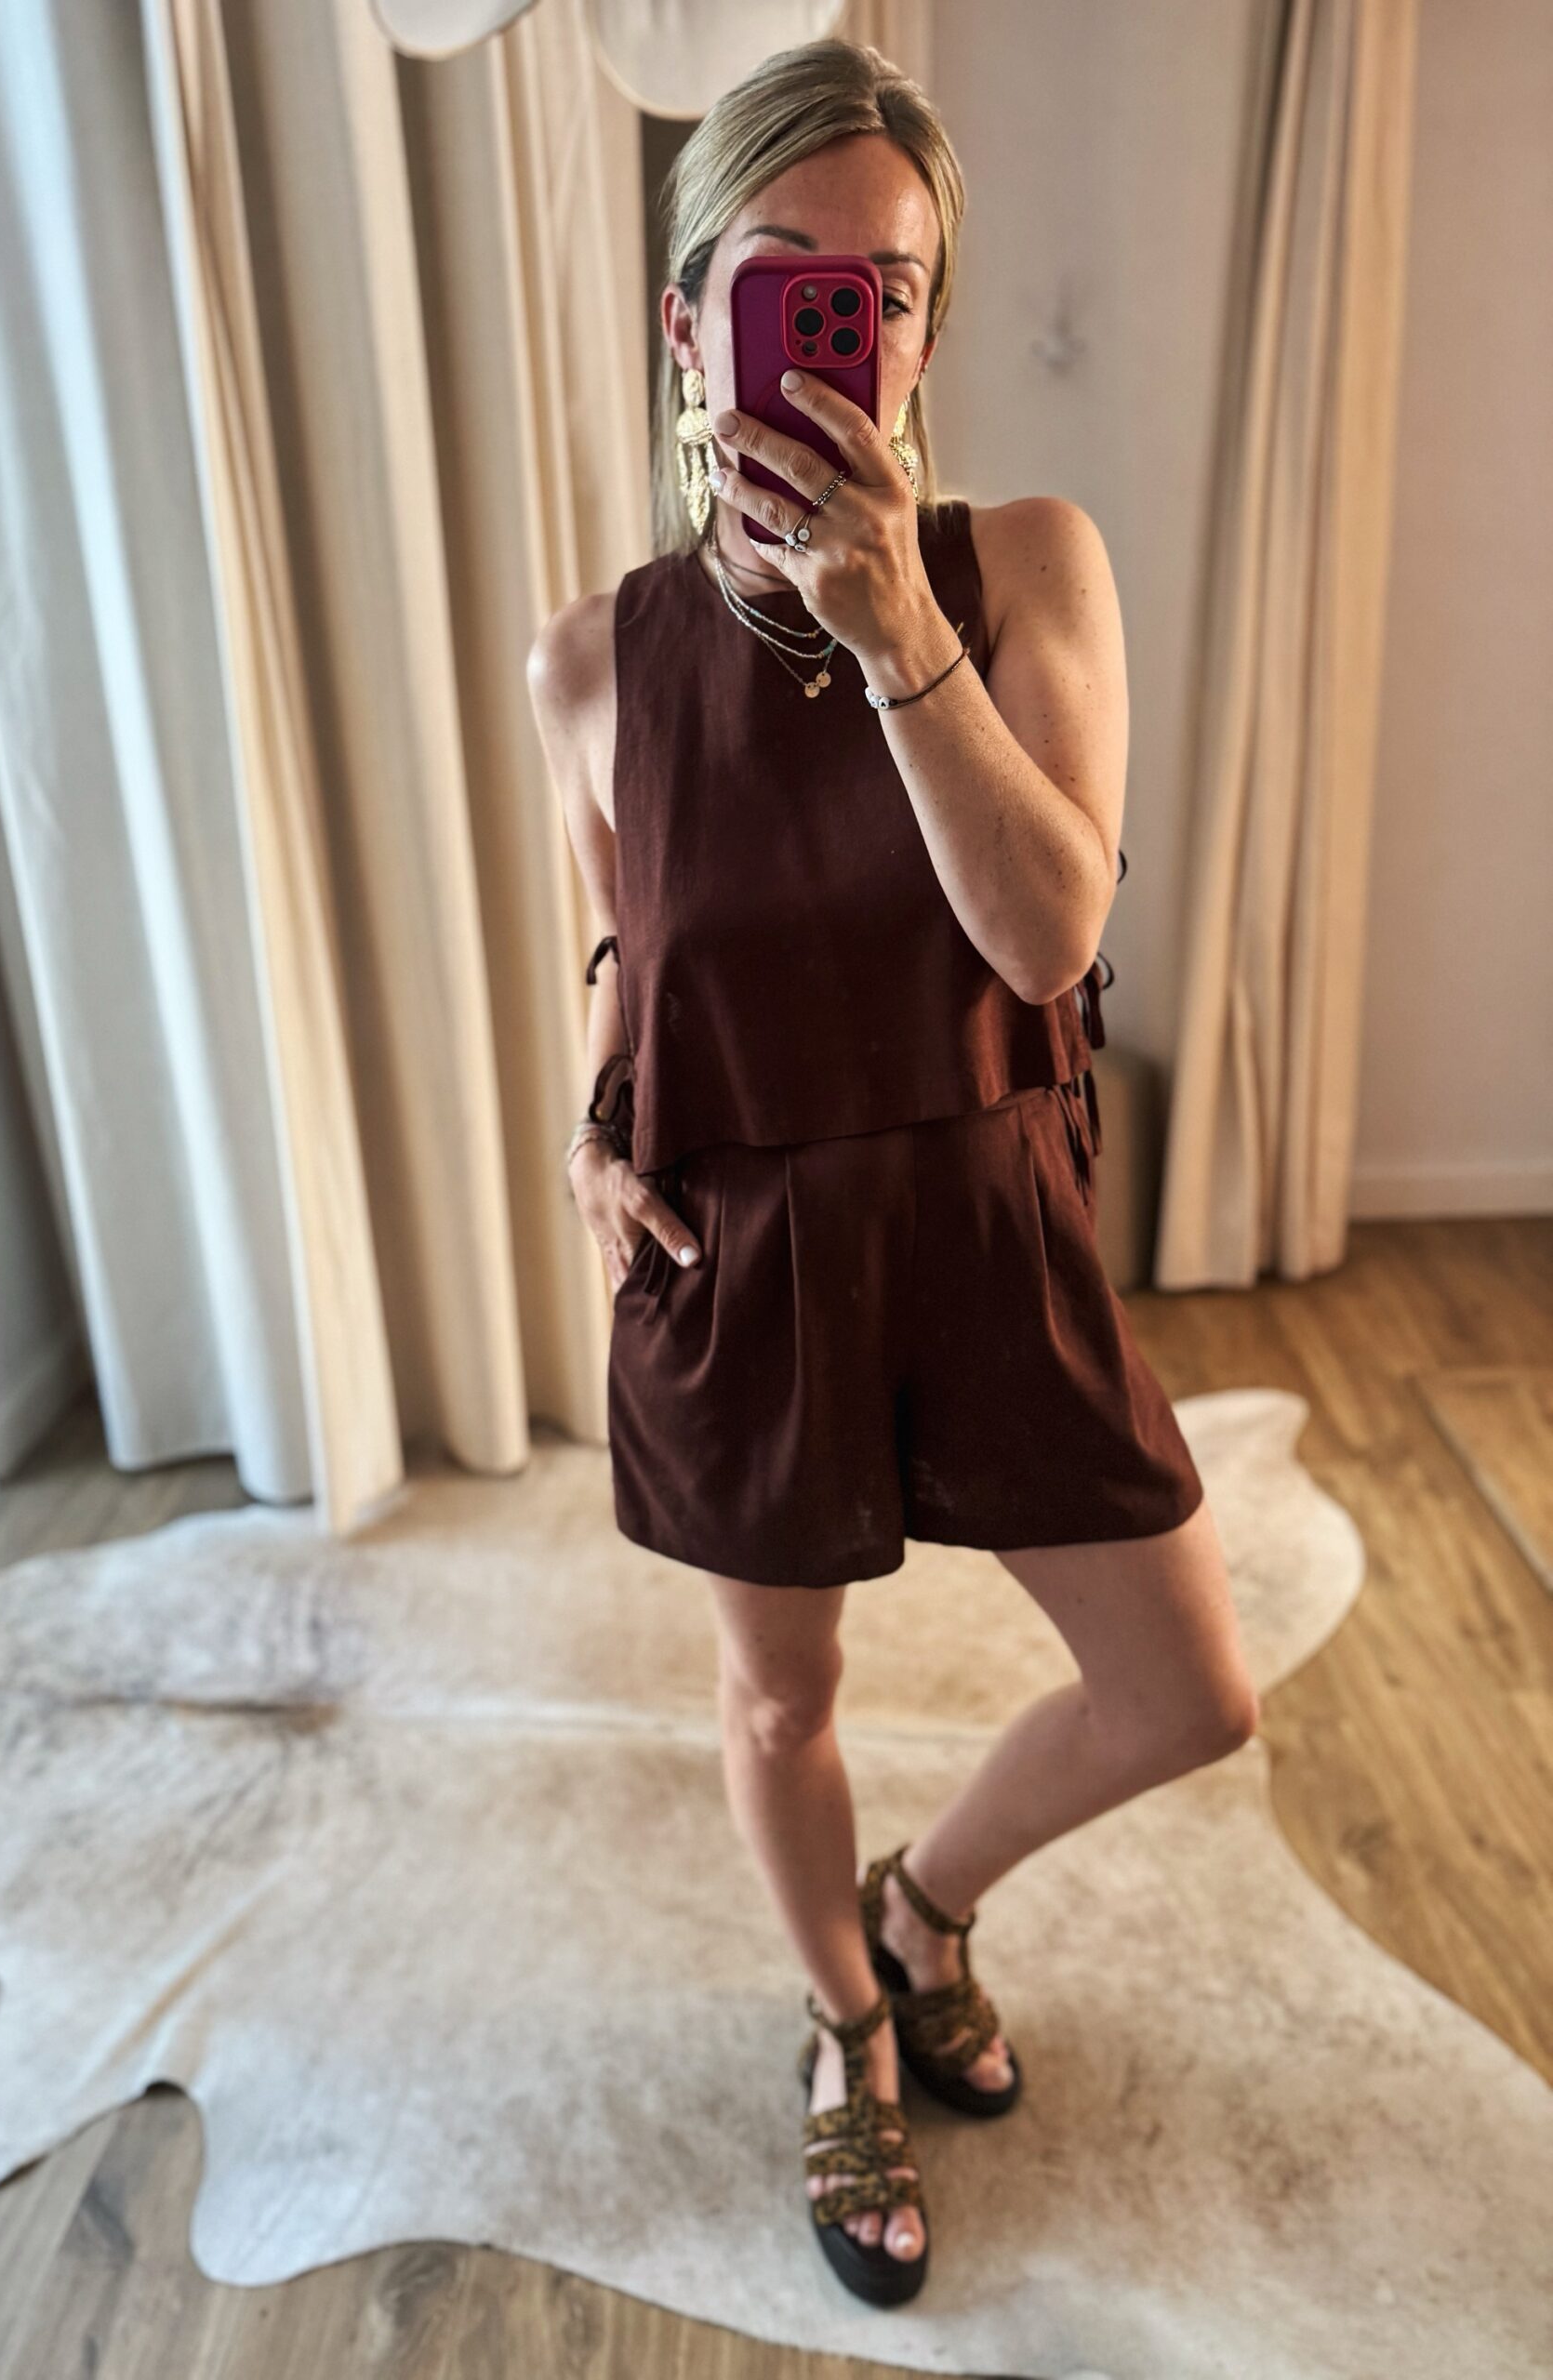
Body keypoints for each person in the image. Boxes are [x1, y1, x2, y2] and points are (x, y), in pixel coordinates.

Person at [525, 36, 1258, 2307]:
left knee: (1188, 1692)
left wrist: (894, 631)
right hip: (741, 1252)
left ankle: (927, 1901)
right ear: (692, 323)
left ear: (925, 330)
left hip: (987, 1213)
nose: (848, 325)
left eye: (890, 286)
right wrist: (588, 1130)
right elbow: (627, 954)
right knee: (780, 1699)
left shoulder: (1026, 568)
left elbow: (1046, 933)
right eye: (785, 279)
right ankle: (847, 2017)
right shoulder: (593, 662)